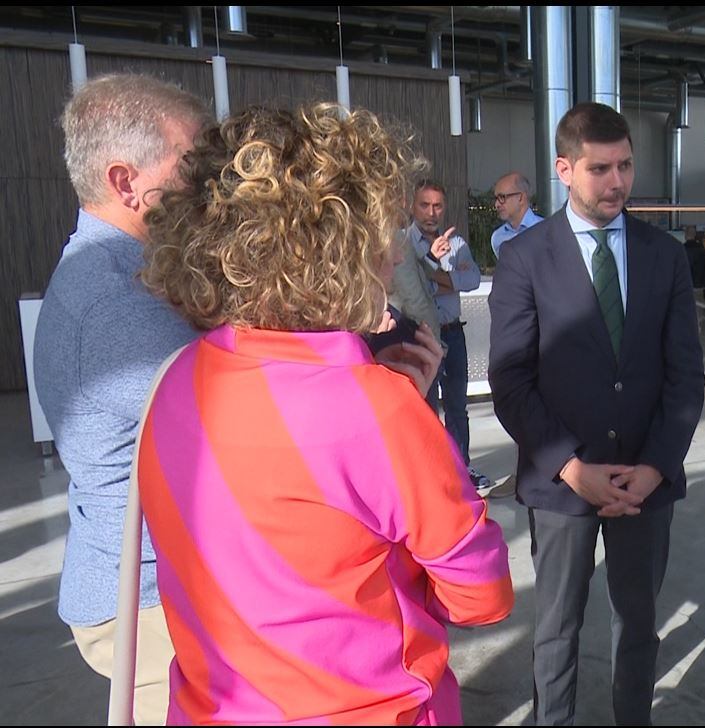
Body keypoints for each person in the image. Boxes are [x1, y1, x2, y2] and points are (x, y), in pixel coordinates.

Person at [136, 103, 513, 724]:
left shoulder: (174, 381)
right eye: (377, 234)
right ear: (332, 251)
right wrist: (409, 435)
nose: (393, 257)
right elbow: (481, 595)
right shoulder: (376, 410)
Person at [488, 101, 705, 726]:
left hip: (645, 481)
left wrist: (658, 465)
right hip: (563, 486)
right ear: (563, 168)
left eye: (626, 167)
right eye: (599, 169)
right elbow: (511, 379)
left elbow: (685, 375)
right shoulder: (525, 258)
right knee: (557, 630)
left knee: (638, 625)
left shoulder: (663, 255)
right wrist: (569, 467)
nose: (617, 182)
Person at [32, 73, 210, 725]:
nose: (205, 185)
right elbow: (249, 423)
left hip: (145, 590)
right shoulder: (113, 303)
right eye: (190, 165)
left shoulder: (111, 271)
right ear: (124, 180)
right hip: (151, 604)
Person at [406, 180, 489, 489]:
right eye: (424, 205)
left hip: (453, 334)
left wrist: (435, 277)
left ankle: (461, 469)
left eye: (437, 205)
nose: (431, 212)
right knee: (425, 408)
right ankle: (430, 473)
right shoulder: (404, 243)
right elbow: (409, 288)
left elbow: (472, 279)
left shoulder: (457, 245)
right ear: (413, 207)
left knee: (457, 406)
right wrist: (445, 279)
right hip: (421, 335)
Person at [491, 171, 544, 260]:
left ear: (521, 198)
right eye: (496, 199)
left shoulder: (546, 230)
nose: (497, 204)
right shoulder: (497, 237)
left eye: (502, 197)